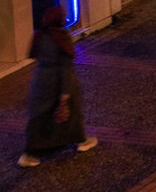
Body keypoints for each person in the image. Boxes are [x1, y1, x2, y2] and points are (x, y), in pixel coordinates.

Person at [17, 16, 97, 168]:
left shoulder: (40, 35)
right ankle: (81, 141)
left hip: (41, 83)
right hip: (58, 82)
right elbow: (66, 67)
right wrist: (66, 92)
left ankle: (30, 152)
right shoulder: (61, 38)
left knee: (40, 117)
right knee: (72, 113)